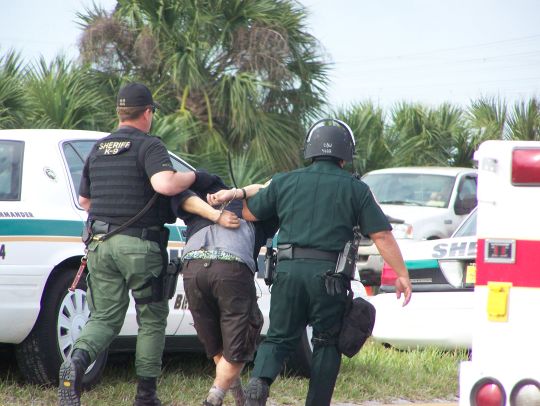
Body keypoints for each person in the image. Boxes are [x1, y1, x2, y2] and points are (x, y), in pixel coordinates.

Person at [213, 119, 413, 406]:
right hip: (329, 277)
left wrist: (243, 191)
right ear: (345, 155)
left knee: (279, 337)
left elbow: (250, 213)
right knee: (326, 342)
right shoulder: (356, 189)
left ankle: (259, 383)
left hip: (287, 272)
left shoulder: (285, 180)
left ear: (310, 150)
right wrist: (402, 274)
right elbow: (381, 234)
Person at [58, 82, 198, 406]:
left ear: (119, 113)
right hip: (139, 248)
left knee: (103, 318)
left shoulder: (98, 148)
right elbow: (164, 183)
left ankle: (75, 364)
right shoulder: (149, 146)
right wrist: (191, 177)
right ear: (147, 113)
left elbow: (84, 200)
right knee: (151, 317)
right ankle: (145, 396)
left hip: (99, 246)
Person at [171, 173, 277, 406]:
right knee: (241, 337)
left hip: (193, 268)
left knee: (217, 343)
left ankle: (239, 398)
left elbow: (179, 192)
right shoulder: (258, 208)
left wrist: (217, 207)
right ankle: (214, 398)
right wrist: (241, 193)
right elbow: (272, 187)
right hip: (232, 268)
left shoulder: (201, 201)